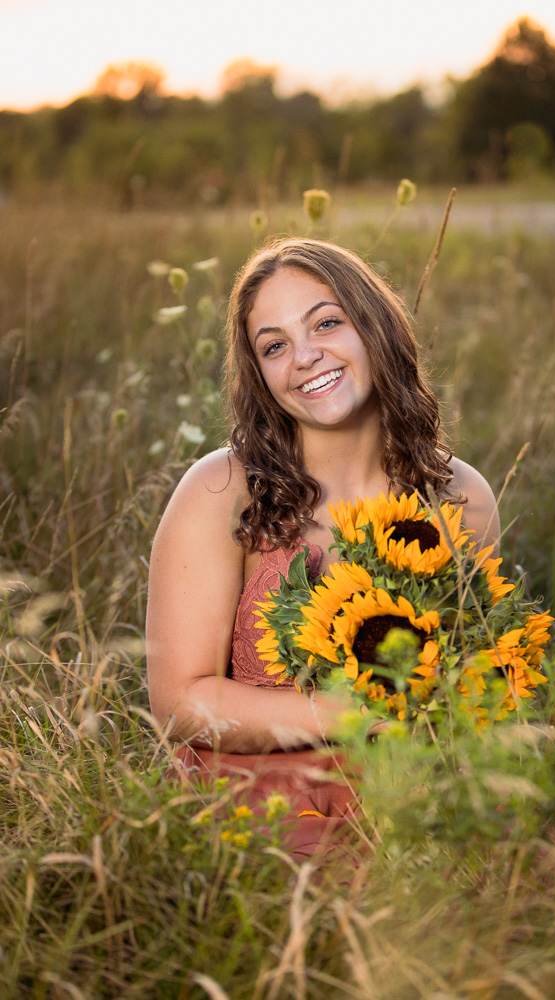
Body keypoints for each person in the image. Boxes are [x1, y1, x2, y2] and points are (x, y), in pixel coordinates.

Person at [146, 238, 500, 857]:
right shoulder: (223, 490)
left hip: (412, 793)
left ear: (375, 328)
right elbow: (180, 702)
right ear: (260, 375)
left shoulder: (459, 497)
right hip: (256, 799)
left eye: (327, 323)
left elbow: (477, 680)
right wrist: (353, 713)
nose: (306, 357)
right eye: (275, 346)